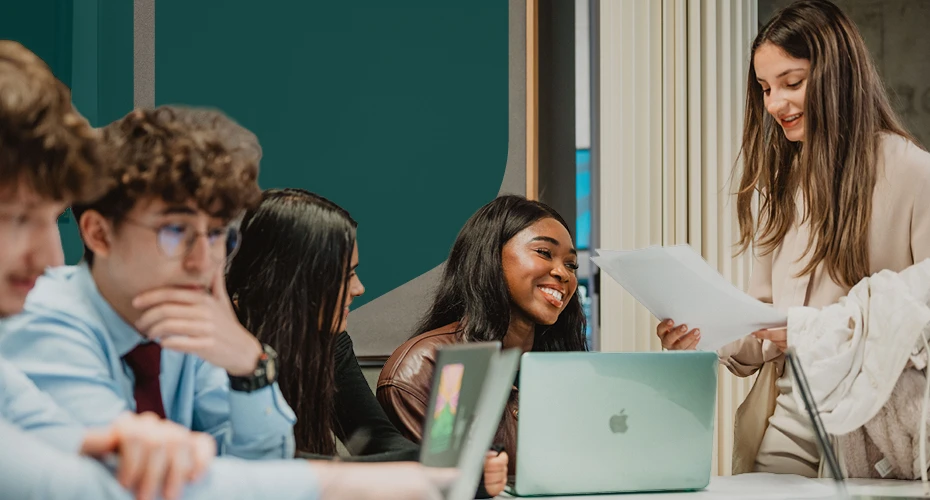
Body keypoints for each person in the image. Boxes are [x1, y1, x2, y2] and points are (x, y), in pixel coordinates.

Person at [0, 39, 456, 500]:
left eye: (218, 234)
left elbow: (263, 463)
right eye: (176, 232)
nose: (205, 261)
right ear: (99, 235)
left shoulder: (183, 326)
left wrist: (251, 366)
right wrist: (370, 484)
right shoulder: (43, 317)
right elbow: (115, 487)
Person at [656, 0, 930, 477]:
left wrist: (812, 330)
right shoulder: (786, 184)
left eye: (792, 83)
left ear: (837, 75)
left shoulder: (912, 173)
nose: (774, 105)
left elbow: (920, 321)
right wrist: (703, 334)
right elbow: (765, 325)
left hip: (866, 425)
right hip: (787, 414)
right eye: (765, 88)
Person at [226, 188, 509, 497]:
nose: (359, 288)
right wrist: (434, 471)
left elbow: (377, 440)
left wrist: (455, 465)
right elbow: (266, 467)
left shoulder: (330, 342)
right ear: (296, 278)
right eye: (344, 276)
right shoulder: (219, 346)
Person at [377, 195, 588, 473]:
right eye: (544, 253)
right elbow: (446, 485)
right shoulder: (429, 367)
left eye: (571, 265)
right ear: (491, 255)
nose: (563, 273)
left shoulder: (563, 364)